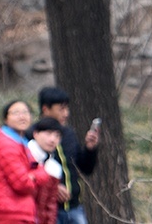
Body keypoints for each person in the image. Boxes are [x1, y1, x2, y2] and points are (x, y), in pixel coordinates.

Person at [38, 86, 100, 224]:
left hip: (74, 208)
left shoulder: (69, 134)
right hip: (48, 210)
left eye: (67, 108)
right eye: (61, 109)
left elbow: (85, 168)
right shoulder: (33, 135)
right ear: (45, 109)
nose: (66, 113)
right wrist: (53, 186)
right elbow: (29, 172)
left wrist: (90, 149)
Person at [0, 100, 44, 224]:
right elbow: (23, 183)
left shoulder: (21, 143)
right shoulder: (6, 145)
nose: (22, 116)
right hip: (11, 213)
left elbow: (37, 173)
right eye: (16, 113)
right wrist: (37, 174)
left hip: (20, 212)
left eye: (25, 112)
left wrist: (34, 175)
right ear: (6, 119)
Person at [27, 117, 65, 224]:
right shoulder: (22, 156)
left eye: (57, 136)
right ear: (36, 134)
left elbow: (51, 205)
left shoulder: (54, 168)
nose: (53, 139)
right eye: (48, 133)